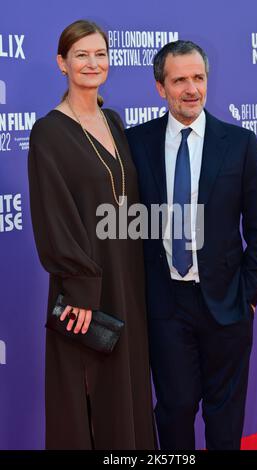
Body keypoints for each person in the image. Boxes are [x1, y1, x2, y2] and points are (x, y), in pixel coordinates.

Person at [125, 40, 257, 450]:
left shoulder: (240, 144)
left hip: (228, 303)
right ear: (160, 87)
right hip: (166, 305)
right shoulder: (136, 143)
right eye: (179, 81)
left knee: (224, 415)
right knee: (173, 409)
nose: (191, 89)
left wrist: (251, 295)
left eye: (199, 78)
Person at [28, 19, 156, 450]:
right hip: (88, 291)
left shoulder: (114, 121)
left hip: (128, 279)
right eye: (80, 54)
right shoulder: (48, 131)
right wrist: (80, 286)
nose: (92, 62)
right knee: (89, 399)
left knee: (129, 395)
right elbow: (53, 214)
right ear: (61, 63)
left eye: (100, 54)